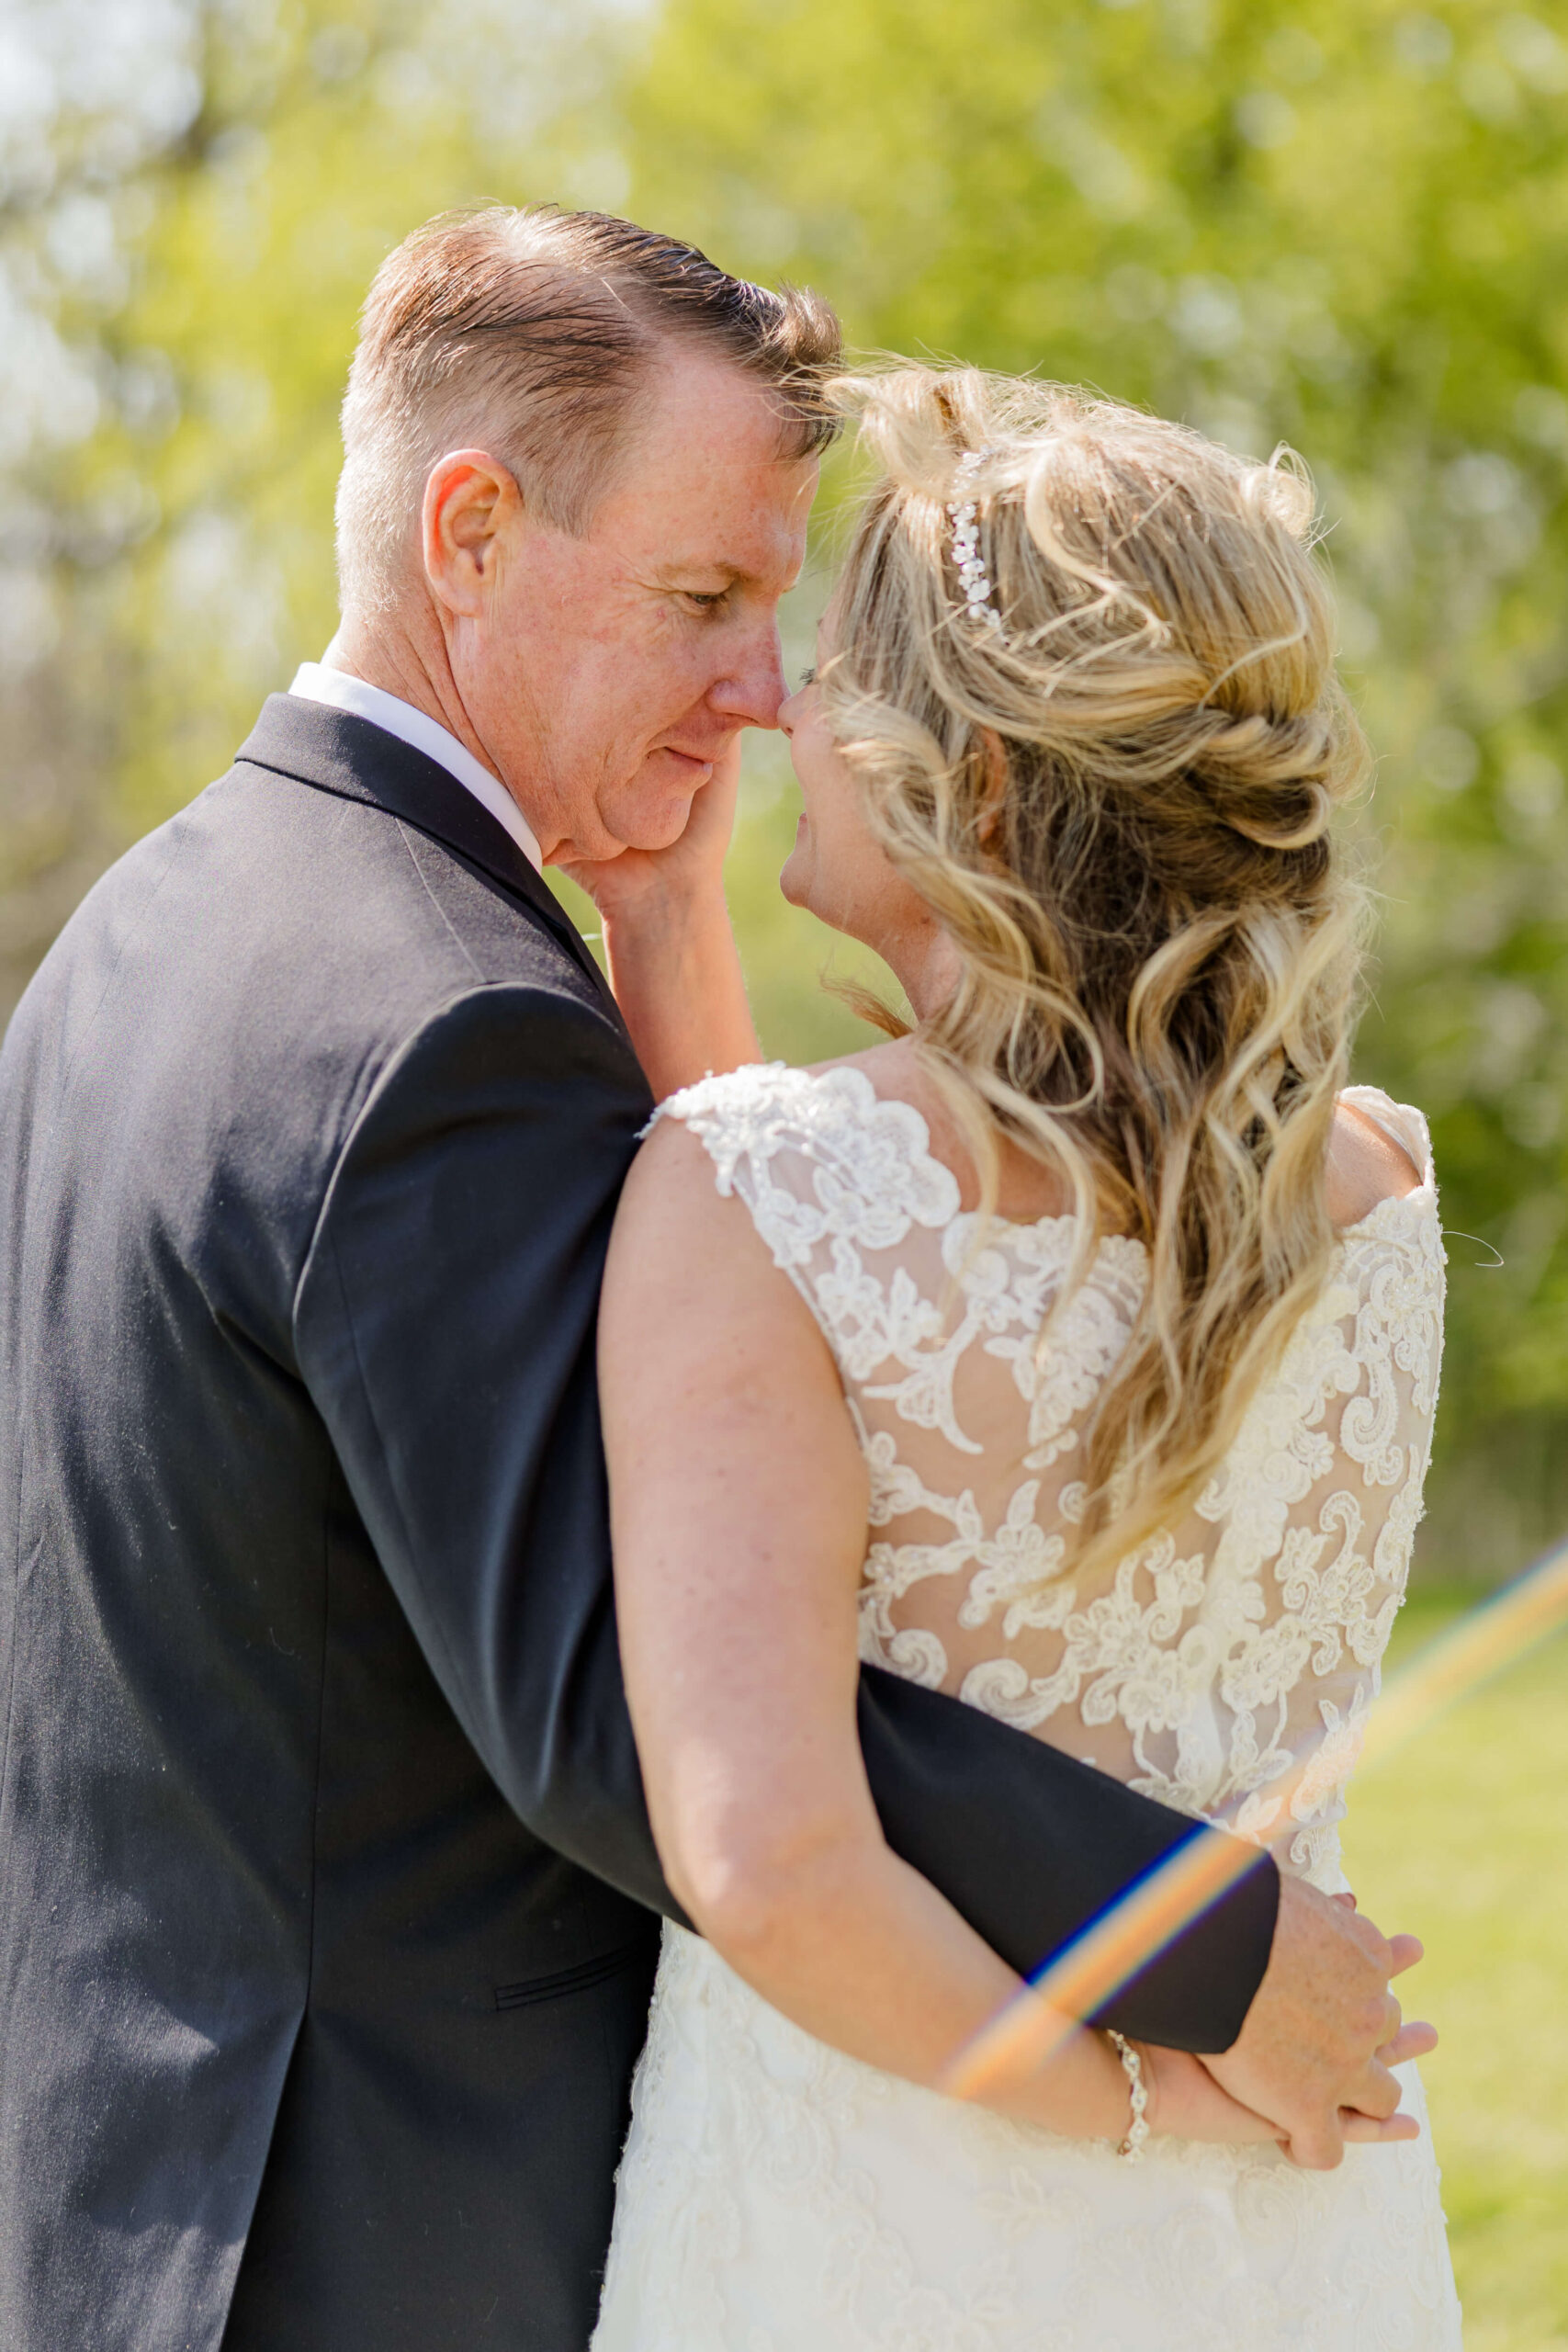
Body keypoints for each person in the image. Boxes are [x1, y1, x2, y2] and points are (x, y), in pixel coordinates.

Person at [0, 209, 1418, 2352]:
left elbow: (806, 1394)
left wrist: (667, 953)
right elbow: (629, 1714)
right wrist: (1194, 1932)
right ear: (469, 531)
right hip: (373, 2232)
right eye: (702, 597)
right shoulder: (444, 1021)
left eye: (788, 614)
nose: (764, 688)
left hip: (147, 2167)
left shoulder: (152, 924)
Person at [591, 369, 1462, 2347]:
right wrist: (664, 938)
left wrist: (1131, 2099)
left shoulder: (751, 1199)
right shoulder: (1369, 1186)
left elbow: (778, 1862)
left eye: (817, 672)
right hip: (1302, 2214)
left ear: (971, 785)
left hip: (879, 2230)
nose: (768, 713)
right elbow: (922, 1294)